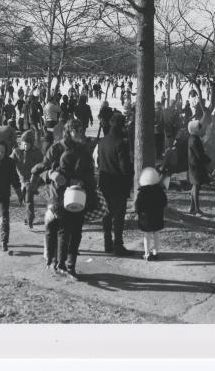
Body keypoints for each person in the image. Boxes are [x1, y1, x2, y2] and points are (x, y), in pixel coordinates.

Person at [31, 119, 97, 278]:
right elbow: (40, 169)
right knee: (63, 229)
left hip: (79, 195)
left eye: (82, 130)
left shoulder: (84, 150)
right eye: (77, 130)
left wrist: (84, 181)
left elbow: (90, 173)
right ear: (69, 132)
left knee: (77, 232)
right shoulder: (57, 148)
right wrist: (51, 174)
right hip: (58, 195)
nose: (81, 133)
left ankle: (70, 264)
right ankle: (60, 263)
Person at [97, 113, 134, 256]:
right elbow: (124, 167)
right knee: (119, 217)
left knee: (106, 215)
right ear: (121, 126)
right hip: (118, 185)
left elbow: (99, 162)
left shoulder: (102, 141)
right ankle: (118, 245)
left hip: (104, 183)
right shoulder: (121, 143)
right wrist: (129, 179)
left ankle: (107, 244)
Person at [12, 130, 45, 229]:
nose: (26, 146)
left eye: (28, 144)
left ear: (32, 143)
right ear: (21, 143)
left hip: (33, 179)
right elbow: (9, 162)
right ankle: (29, 216)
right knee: (22, 198)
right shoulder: (17, 152)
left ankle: (30, 219)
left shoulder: (37, 152)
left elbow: (42, 166)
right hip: (21, 179)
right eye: (24, 144)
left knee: (28, 197)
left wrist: (35, 179)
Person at [135, 167, 168, 261]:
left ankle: (147, 254)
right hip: (157, 217)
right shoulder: (159, 190)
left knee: (146, 236)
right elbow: (164, 203)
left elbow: (137, 206)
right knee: (156, 235)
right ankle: (156, 253)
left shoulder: (142, 192)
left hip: (146, 218)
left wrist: (139, 213)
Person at [187, 120, 210, 216]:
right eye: (200, 128)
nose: (202, 130)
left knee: (195, 186)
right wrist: (207, 160)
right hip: (196, 165)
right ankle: (196, 209)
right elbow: (199, 154)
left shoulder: (192, 138)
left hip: (193, 164)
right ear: (196, 129)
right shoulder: (195, 140)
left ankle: (192, 207)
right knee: (196, 185)